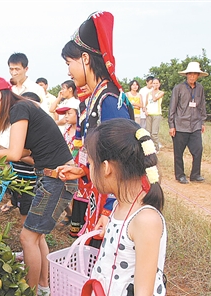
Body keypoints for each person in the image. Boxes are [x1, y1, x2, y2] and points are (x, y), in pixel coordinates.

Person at [54, 119, 167, 296]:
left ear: (106, 168)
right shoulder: (120, 204)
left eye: (91, 164)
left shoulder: (146, 220)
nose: (90, 171)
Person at [0, 76, 78, 296]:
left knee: (27, 238)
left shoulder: (20, 108)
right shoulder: (24, 109)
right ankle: (42, 287)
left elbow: (16, 153)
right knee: (35, 237)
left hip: (55, 180)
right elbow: (27, 150)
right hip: (51, 177)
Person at [58, 10, 133, 240]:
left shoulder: (109, 101)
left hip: (110, 203)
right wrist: (83, 170)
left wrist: (110, 209)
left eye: (69, 63)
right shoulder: (95, 98)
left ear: (86, 59)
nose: (68, 70)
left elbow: (122, 159)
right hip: (98, 197)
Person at [0, 53, 46, 149]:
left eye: (17, 69)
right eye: (11, 69)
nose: (14, 73)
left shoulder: (36, 89)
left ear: (26, 69)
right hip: (6, 140)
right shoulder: (7, 90)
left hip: (28, 143)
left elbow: (43, 115)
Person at [168, 61, 208, 184]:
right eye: (190, 74)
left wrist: (202, 121)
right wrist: (171, 125)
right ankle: (180, 175)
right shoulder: (178, 88)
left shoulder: (200, 88)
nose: (192, 76)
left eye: (195, 74)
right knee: (178, 153)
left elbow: (202, 105)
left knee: (198, 150)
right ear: (186, 75)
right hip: (180, 125)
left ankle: (195, 175)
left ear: (198, 76)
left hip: (195, 124)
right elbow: (172, 107)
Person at [145, 78, 165, 151]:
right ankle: (149, 148)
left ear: (159, 84)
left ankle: (156, 148)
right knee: (148, 132)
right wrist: (145, 110)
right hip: (149, 114)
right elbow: (146, 104)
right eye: (154, 83)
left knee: (154, 133)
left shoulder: (161, 92)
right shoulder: (148, 94)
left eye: (157, 83)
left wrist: (154, 91)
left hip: (156, 114)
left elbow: (154, 99)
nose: (155, 85)